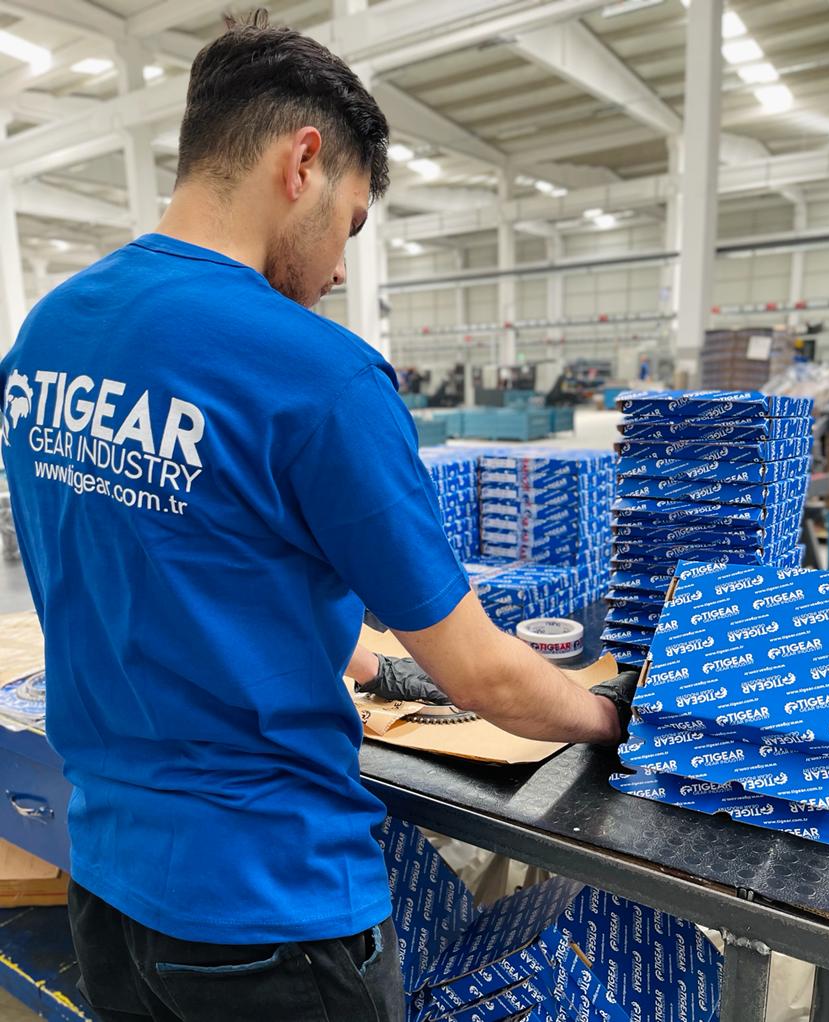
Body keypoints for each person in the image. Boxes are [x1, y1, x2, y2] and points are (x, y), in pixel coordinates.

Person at [0, 11, 630, 1022]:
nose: (339, 268)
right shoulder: (317, 374)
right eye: (352, 221)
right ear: (303, 162)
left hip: (108, 886)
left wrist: (366, 661)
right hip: (269, 915)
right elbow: (481, 674)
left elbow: (175, 558)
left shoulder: (45, 338)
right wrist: (612, 714)